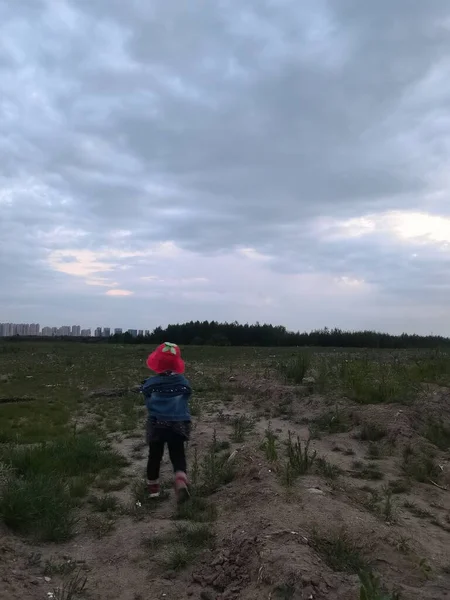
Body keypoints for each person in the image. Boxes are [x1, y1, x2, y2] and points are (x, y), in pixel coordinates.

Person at [141, 342, 191, 504]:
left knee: (155, 455)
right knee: (177, 453)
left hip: (156, 424)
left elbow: (145, 393)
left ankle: (153, 489)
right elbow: (187, 392)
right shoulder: (182, 382)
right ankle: (180, 479)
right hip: (178, 424)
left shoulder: (152, 383)